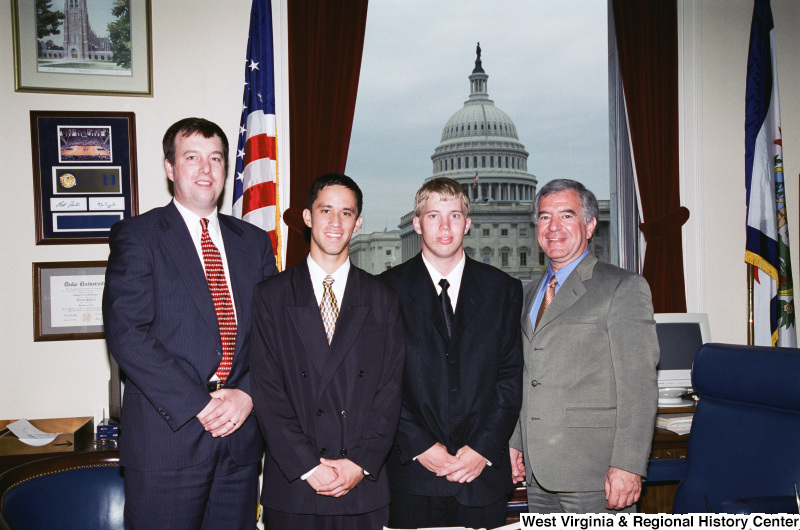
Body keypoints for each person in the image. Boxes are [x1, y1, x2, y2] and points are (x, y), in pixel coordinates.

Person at [102, 117, 279, 528]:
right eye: (192, 157)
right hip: (169, 440)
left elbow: (275, 335)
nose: (206, 169)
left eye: (215, 158)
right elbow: (128, 334)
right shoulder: (138, 236)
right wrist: (199, 405)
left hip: (239, 439)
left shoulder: (253, 243)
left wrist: (248, 395)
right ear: (170, 168)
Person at [250, 173, 405, 530]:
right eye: (326, 210)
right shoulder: (271, 296)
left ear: (358, 222)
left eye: (346, 213)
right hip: (295, 484)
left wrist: (358, 463)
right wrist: (308, 466)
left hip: (361, 485)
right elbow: (266, 390)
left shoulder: (383, 298)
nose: (336, 223)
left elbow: (391, 390)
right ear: (307, 217)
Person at [379, 177, 523, 529]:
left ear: (468, 223)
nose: (445, 227)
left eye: (455, 216)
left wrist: (482, 450)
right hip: (412, 475)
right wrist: (421, 446)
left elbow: (510, 379)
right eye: (433, 216)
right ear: (416, 223)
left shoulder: (502, 289)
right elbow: (382, 383)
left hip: (481, 475)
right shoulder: (385, 291)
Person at [509, 178, 659, 513]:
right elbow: (527, 376)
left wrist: (629, 465)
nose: (553, 227)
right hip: (538, 472)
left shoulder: (622, 287)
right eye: (545, 217)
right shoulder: (527, 293)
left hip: (596, 472)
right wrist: (516, 442)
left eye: (566, 215)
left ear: (590, 225)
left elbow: (638, 386)